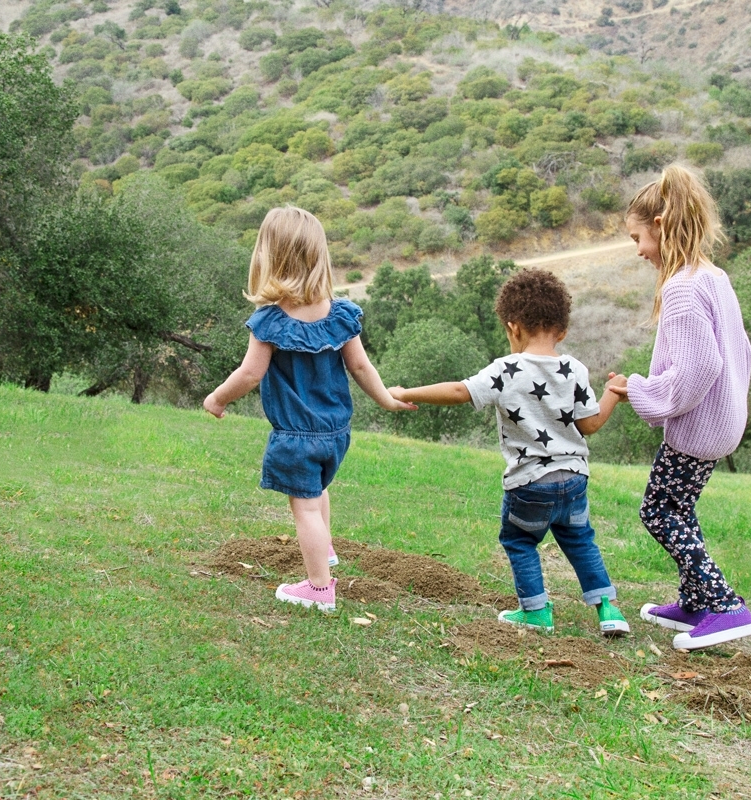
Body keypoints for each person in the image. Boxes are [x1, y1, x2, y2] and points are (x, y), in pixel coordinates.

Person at [389, 269, 630, 636]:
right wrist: (612, 391)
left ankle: (535, 612)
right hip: (574, 479)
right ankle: (609, 610)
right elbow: (590, 425)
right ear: (562, 330)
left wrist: (406, 392)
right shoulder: (575, 369)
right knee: (581, 540)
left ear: (512, 327)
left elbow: (459, 392)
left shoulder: (506, 369)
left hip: (530, 482)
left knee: (519, 541)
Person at [204, 207, 415, 612]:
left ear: (270, 258)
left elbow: (250, 374)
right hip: (336, 431)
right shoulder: (339, 314)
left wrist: (217, 399)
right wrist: (386, 397)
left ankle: (319, 589)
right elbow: (360, 366)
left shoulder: (269, 320)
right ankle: (328, 550)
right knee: (317, 492)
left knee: (304, 506)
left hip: (296, 435)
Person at [608, 164, 751, 651]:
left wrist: (638, 389)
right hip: (723, 420)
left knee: (658, 511)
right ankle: (694, 602)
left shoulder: (681, 289)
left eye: (639, 238)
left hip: (699, 426)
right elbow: (741, 349)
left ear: (660, 226)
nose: (639, 251)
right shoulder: (713, 277)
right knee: (681, 508)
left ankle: (724, 605)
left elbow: (698, 368)